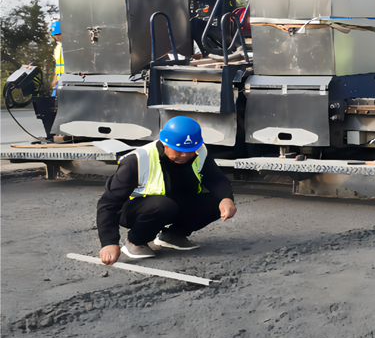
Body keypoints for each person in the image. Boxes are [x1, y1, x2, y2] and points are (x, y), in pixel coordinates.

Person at [97, 116, 237, 264]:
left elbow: (216, 179)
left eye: (190, 150)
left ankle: (173, 236)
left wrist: (226, 198)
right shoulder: (137, 159)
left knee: (217, 200)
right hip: (136, 210)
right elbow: (109, 203)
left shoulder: (200, 152)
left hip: (173, 203)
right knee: (164, 205)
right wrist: (109, 243)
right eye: (179, 150)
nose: (184, 155)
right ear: (165, 143)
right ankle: (135, 242)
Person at [49, 19, 63, 94]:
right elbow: (57, 67)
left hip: (70, 82)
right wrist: (54, 81)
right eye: (54, 36)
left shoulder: (73, 46)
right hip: (59, 83)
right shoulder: (58, 48)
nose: (56, 38)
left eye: (58, 35)